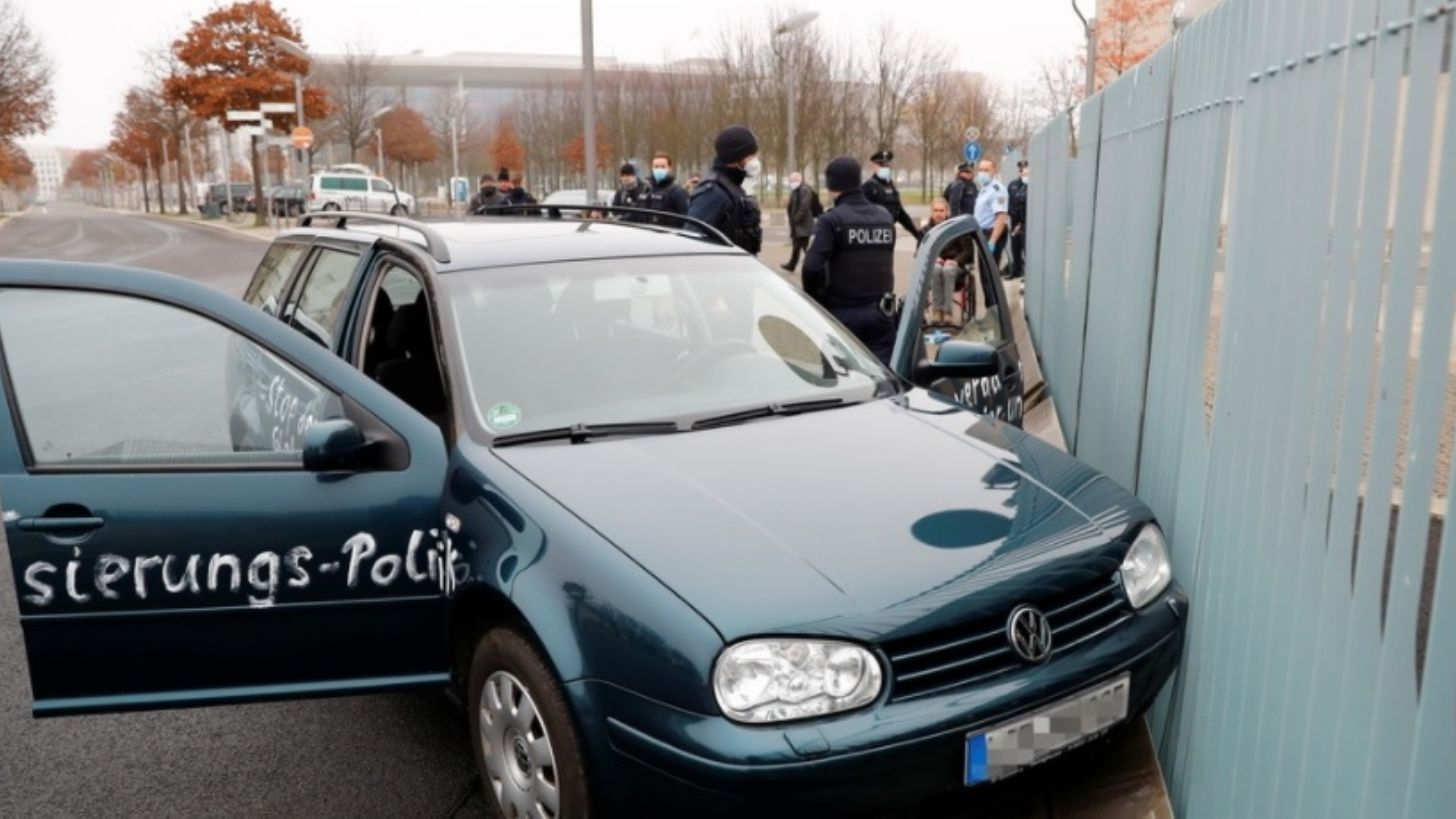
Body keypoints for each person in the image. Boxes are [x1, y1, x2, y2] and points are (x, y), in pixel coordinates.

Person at [802, 156, 898, 364]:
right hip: (881, 314)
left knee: (840, 376)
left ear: (831, 187)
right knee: (882, 376)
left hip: (842, 315)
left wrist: (817, 303)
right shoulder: (884, 217)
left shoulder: (831, 220)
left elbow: (811, 268)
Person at [687, 125, 763, 254]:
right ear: (735, 158)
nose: (755, 160)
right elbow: (692, 241)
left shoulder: (733, 186)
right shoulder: (713, 193)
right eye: (750, 156)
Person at [920, 197, 978, 326]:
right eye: (936, 210)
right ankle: (936, 311)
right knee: (936, 268)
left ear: (947, 212)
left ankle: (947, 313)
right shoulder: (925, 231)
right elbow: (919, 252)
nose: (939, 213)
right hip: (933, 268)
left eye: (942, 210)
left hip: (955, 269)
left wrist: (956, 261)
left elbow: (967, 250)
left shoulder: (956, 229)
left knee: (947, 269)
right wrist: (934, 258)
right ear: (931, 212)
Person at [861, 149, 921, 241]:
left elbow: (900, 213)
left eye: (887, 165)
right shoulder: (868, 187)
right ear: (874, 167)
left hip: (889, 234)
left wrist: (917, 234)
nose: (885, 168)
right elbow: (862, 215)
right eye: (881, 165)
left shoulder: (891, 187)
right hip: (873, 235)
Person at [781, 172, 823, 273]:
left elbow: (804, 206)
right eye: (791, 181)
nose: (792, 183)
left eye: (794, 180)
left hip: (804, 223)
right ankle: (792, 265)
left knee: (805, 247)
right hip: (798, 224)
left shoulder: (805, 190)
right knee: (797, 246)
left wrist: (796, 218)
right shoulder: (796, 191)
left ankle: (814, 266)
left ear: (799, 180)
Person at [974, 157, 1010, 271]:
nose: (982, 173)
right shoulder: (985, 188)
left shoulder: (997, 190)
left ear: (994, 171)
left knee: (989, 271)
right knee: (984, 270)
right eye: (980, 170)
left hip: (992, 233)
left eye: (986, 170)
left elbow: (1001, 217)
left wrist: (993, 241)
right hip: (983, 233)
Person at [641, 152, 689, 222]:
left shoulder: (677, 192)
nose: (659, 169)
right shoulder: (646, 190)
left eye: (663, 167)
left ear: (669, 168)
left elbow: (687, 217)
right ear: (652, 168)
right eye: (656, 167)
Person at [1007, 159, 1029, 279]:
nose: (1023, 173)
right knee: (1015, 247)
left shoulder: (1033, 185)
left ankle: (1028, 273)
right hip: (1015, 222)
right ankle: (1016, 270)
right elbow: (1008, 201)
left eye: (1025, 171)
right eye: (1021, 171)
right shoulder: (1013, 185)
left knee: (1026, 248)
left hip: (1027, 222)